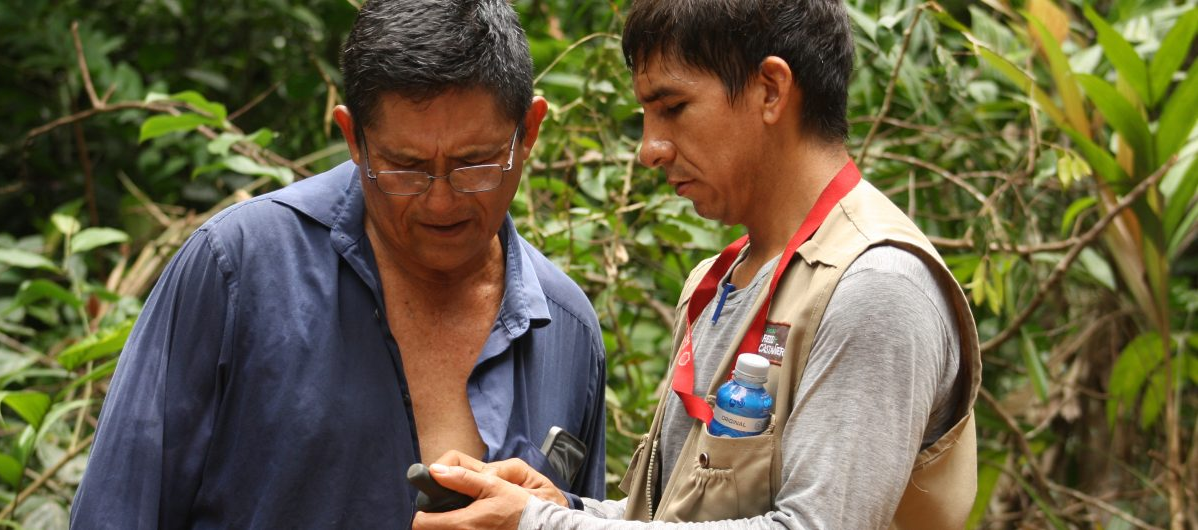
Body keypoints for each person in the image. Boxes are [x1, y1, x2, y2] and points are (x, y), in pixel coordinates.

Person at [412, 0, 982, 529]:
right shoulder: (720, 284)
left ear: (770, 90)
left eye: (673, 108)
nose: (650, 148)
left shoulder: (875, 284)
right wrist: (560, 506)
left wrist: (538, 525)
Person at [69, 0, 608, 527]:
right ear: (354, 139)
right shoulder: (237, 268)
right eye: (405, 167)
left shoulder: (567, 330)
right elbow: (118, 508)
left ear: (529, 132)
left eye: (475, 164)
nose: (441, 201)